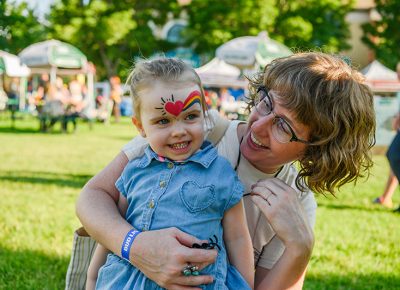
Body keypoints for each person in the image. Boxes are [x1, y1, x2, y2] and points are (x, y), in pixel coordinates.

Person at [72, 52, 376, 290]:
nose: (258, 126)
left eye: (283, 126)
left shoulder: (296, 204)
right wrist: (136, 247)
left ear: (317, 148)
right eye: (267, 104)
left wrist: (300, 248)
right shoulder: (192, 129)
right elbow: (93, 197)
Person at [85, 58, 254, 289]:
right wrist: (93, 278)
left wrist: (245, 285)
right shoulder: (134, 171)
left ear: (205, 114)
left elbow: (238, 238)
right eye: (163, 121)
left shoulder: (221, 172)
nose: (179, 131)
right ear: (141, 127)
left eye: (191, 117)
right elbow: (113, 231)